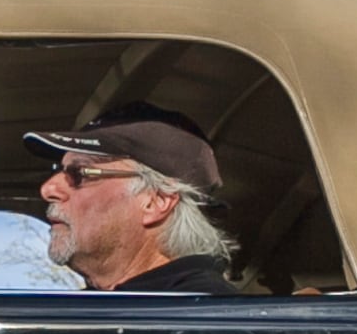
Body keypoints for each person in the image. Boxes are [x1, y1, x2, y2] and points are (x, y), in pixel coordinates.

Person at [23, 106, 238, 292]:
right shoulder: (96, 308)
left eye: (80, 174)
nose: (48, 189)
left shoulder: (203, 314)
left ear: (156, 201)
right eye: (57, 170)